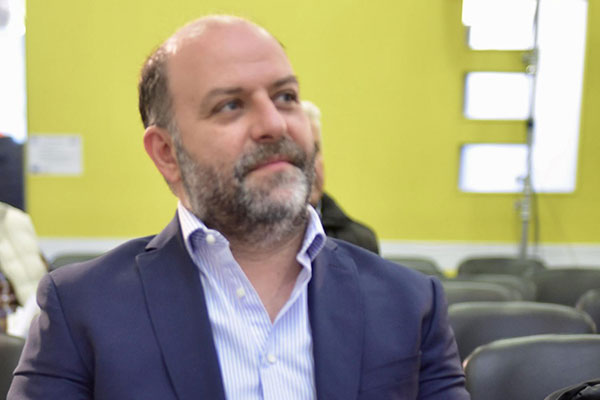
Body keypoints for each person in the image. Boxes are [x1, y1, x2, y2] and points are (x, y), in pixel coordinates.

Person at [9, 15, 469, 399]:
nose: (274, 124)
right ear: (167, 153)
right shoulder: (83, 309)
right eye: (230, 105)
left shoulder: (410, 305)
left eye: (285, 97)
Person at [302, 100, 380, 254]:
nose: (311, 165)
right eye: (299, 152)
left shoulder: (359, 242)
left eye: (315, 150)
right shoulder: (254, 242)